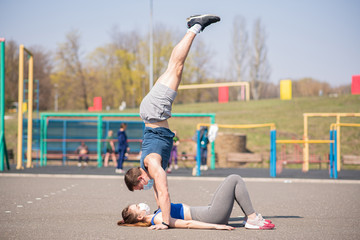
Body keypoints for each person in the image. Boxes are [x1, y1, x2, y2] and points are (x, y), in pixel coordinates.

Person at [124, 14, 221, 230]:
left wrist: (165, 222)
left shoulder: (152, 166)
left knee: (176, 67)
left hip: (154, 112)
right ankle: (193, 26)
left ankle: (195, 26)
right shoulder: (149, 168)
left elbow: (164, 190)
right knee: (174, 67)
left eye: (140, 188)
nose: (143, 190)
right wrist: (160, 212)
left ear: (140, 178)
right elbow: (159, 194)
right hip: (153, 113)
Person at [118, 174, 274, 230]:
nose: (141, 204)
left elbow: (159, 192)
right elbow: (188, 224)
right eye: (138, 207)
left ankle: (250, 218)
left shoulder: (157, 213)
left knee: (231, 182)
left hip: (207, 212)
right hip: (211, 216)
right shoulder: (158, 219)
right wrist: (216, 226)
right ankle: (252, 219)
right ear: (139, 217)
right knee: (234, 179)